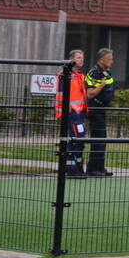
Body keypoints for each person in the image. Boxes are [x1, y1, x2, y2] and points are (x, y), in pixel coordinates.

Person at [54, 50, 88, 178]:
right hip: (71, 112)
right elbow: (61, 93)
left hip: (79, 112)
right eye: (78, 57)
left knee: (79, 140)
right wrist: (64, 109)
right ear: (71, 59)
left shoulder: (80, 75)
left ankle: (78, 166)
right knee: (74, 140)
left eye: (82, 57)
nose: (81, 60)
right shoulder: (64, 75)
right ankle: (71, 169)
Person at [84, 48, 115, 177]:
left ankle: (100, 167)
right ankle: (93, 168)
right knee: (97, 139)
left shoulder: (106, 72)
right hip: (95, 108)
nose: (112, 62)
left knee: (102, 139)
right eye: (110, 59)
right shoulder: (94, 73)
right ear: (102, 60)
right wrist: (101, 85)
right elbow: (90, 94)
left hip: (103, 109)